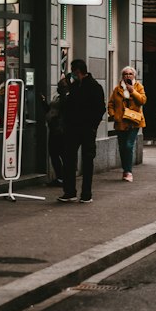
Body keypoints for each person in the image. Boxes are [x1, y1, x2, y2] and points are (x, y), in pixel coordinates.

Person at [58, 59, 106, 203]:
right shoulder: (77, 86)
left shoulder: (93, 86)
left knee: (84, 160)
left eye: (73, 71)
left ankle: (83, 193)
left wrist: (92, 126)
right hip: (75, 128)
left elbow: (100, 109)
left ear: (77, 71)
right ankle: (72, 191)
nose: (72, 74)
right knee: (70, 159)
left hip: (84, 129)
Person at [108, 65, 147, 182]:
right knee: (122, 147)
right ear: (122, 76)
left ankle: (128, 171)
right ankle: (125, 170)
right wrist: (113, 115)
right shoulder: (117, 89)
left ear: (134, 75)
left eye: (130, 74)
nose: (128, 76)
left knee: (129, 146)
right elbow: (111, 104)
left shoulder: (138, 86)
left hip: (133, 121)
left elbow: (142, 100)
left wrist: (132, 91)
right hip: (121, 122)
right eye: (125, 74)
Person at [45, 73, 68, 185]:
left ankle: (63, 178)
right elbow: (50, 110)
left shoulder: (66, 98)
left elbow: (63, 112)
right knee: (54, 154)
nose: (58, 89)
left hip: (61, 131)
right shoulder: (57, 98)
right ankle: (61, 177)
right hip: (54, 129)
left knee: (61, 154)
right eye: (58, 87)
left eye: (61, 87)